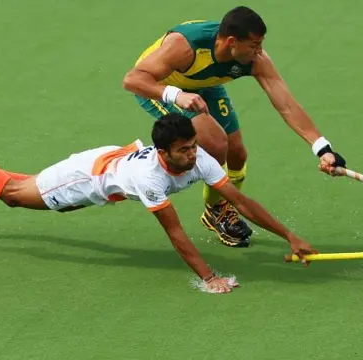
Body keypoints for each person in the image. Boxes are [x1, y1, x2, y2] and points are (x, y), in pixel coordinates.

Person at [0, 113, 317, 294]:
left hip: (108, 171)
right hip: (91, 177)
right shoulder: (149, 176)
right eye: (184, 151)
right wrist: (209, 278)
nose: (194, 155)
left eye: (193, 147)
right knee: (15, 197)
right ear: (164, 151)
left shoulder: (199, 157)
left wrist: (289, 235)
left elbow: (240, 201)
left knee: (19, 193)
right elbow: (175, 232)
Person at [122, 6, 346, 248]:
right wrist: (175, 95)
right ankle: (218, 207)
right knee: (216, 144)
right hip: (159, 87)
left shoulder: (255, 60)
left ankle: (214, 208)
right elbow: (133, 79)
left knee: (237, 153)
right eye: (254, 45)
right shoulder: (186, 47)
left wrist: (322, 149)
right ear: (231, 42)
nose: (259, 51)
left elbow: (287, 105)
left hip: (204, 84)